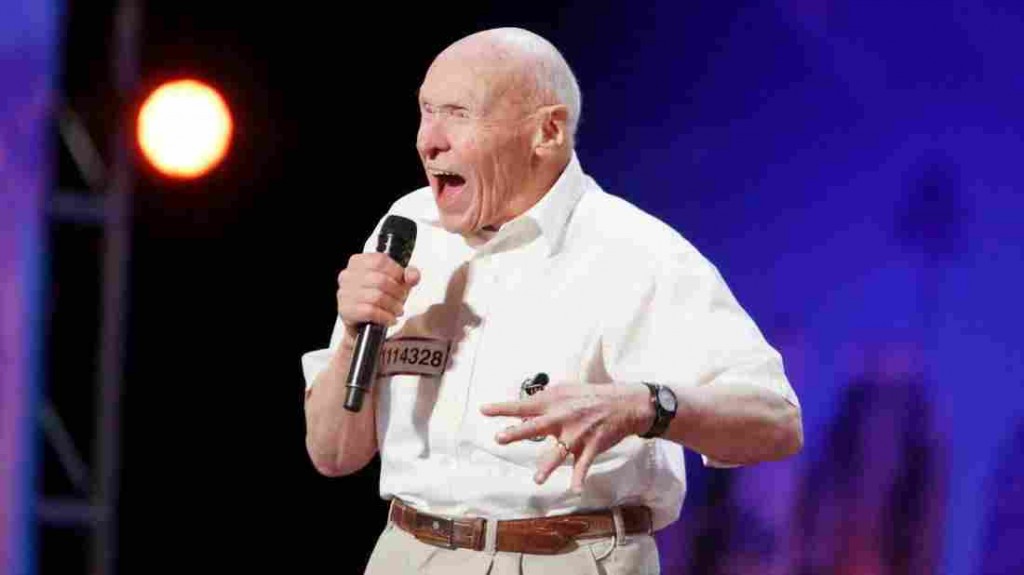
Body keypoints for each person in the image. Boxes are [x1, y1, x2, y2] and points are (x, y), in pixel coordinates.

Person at [301, 27, 803, 574]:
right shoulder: (406, 227)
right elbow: (332, 455)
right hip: (407, 554)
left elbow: (776, 420)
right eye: (426, 111)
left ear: (548, 131)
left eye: (459, 113)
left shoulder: (638, 252)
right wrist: (353, 336)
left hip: (565, 557)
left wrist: (642, 407)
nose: (429, 141)